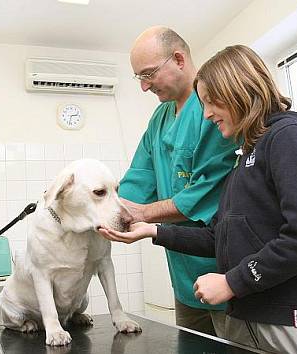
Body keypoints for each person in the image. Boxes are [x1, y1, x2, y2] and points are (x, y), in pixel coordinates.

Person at [100, 45, 297, 353]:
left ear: (239, 90)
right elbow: (221, 236)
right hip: (251, 315)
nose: (206, 114)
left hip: (290, 318)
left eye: (211, 102)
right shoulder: (246, 158)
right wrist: (153, 230)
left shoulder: (290, 137)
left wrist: (232, 282)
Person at [119, 26, 237, 335]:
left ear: (179, 59)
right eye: (139, 78)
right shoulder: (159, 118)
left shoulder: (214, 112)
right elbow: (139, 177)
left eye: (149, 74)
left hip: (222, 274)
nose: (144, 87)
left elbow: (203, 196)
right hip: (183, 277)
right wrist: (109, 209)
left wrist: (142, 214)